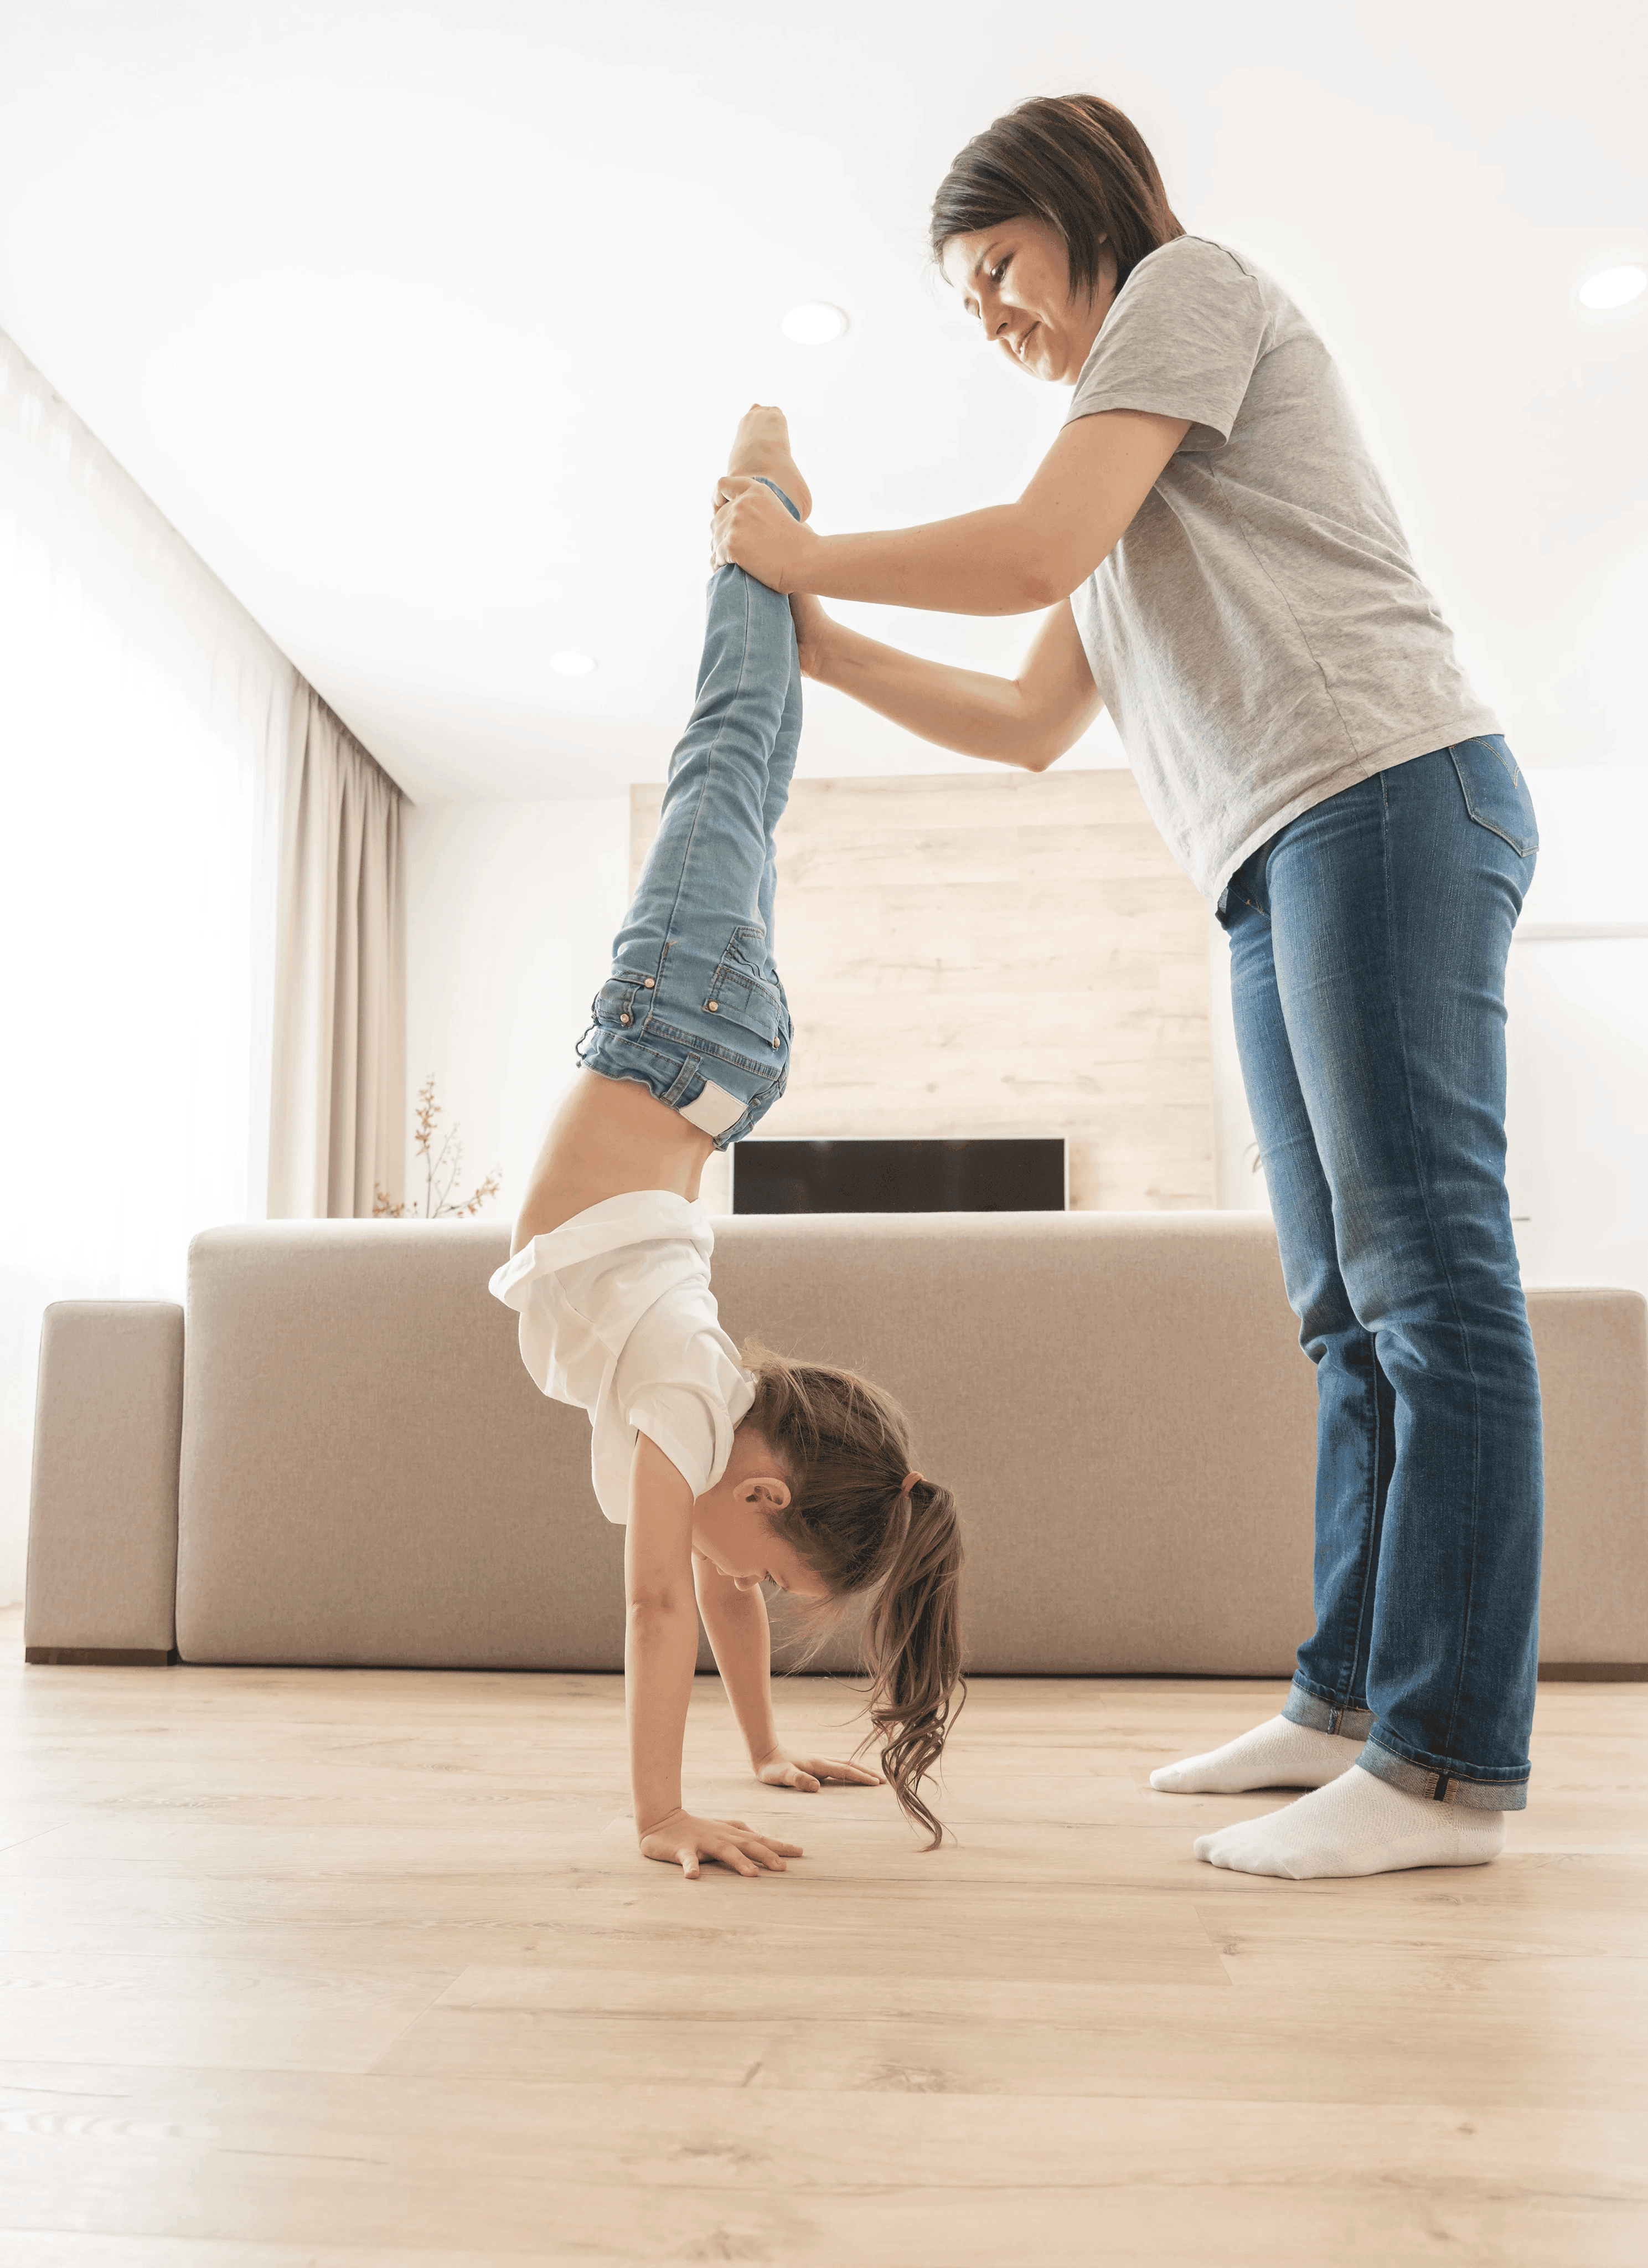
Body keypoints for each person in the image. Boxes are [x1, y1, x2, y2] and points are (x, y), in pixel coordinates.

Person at [712, 96, 1541, 1882]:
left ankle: (1447, 1767)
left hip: (1383, 795)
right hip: (1275, 858)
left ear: (1084, 216)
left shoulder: (1188, 289)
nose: (993, 314)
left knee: (1432, 1290)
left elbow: (1028, 546)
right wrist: (823, 640)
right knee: (1344, 1317)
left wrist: (805, 560)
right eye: (966, 297)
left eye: (999, 268)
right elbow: (1024, 724)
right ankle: (1344, 1704)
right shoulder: (1139, 469)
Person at [492, 408, 964, 1877]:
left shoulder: (706, 1416)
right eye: (755, 1552)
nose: (731, 1580)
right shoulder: (689, 1413)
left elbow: (720, 1596)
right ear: (765, 1490)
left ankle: (773, 555)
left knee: (743, 783)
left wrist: (760, 1754)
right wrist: (660, 1815)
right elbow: (655, 1611)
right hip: (674, 1033)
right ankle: (760, 508)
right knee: (728, 753)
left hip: (712, 1062)